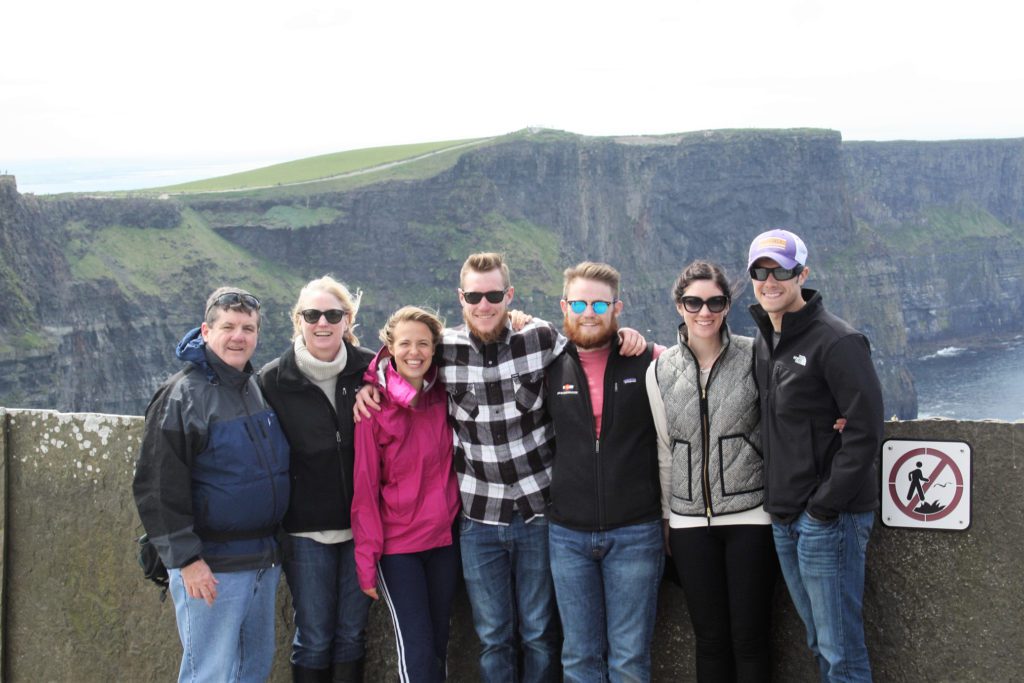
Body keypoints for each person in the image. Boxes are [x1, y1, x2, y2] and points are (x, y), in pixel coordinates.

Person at [355, 252, 647, 682]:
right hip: (479, 520)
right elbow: (402, 361)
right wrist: (369, 383)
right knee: (493, 636)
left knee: (539, 634)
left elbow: (591, 342)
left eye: (494, 295)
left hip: (538, 513)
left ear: (509, 295)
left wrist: (631, 338)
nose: (484, 304)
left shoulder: (541, 338)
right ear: (461, 298)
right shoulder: (446, 351)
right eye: (475, 295)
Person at [133, 287, 290, 683]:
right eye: (229, 327)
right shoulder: (181, 396)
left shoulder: (252, 385)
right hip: (212, 566)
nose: (239, 336)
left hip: (261, 561)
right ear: (206, 330)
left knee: (252, 668)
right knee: (211, 673)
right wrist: (187, 560)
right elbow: (156, 485)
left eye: (248, 328)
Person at [747, 229, 883, 683]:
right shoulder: (766, 339)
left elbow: (865, 430)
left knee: (840, 648)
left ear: (802, 274)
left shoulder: (838, 341)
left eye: (781, 271)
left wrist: (823, 509)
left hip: (829, 519)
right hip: (786, 516)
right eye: (760, 272)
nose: (770, 281)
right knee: (818, 641)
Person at [647, 260, 776, 682]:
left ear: (727, 305)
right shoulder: (660, 369)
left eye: (715, 301)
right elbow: (664, 449)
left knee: (750, 637)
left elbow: (784, 418)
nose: (705, 312)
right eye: (694, 302)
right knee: (710, 638)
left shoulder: (755, 354)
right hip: (687, 525)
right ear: (679, 306)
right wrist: (668, 517)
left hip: (751, 516)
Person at [545, 262, 664, 682]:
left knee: (630, 658)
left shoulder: (648, 359)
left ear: (618, 307)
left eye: (599, 303)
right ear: (564, 306)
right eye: (578, 302)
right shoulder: (547, 364)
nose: (588, 311)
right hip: (567, 534)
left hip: (635, 531)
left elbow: (705, 370)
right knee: (578, 657)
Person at [258, 276, 374, 683]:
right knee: (315, 637)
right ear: (298, 320)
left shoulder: (373, 370)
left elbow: (424, 362)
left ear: (348, 320)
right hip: (306, 533)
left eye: (332, 314)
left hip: (363, 529)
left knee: (351, 636)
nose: (322, 323)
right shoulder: (272, 382)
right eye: (312, 314)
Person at [352, 306, 461, 683]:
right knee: (414, 647)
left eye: (423, 344)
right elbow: (365, 490)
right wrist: (366, 559)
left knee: (439, 642)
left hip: (444, 542)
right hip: (399, 549)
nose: (414, 352)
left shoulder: (445, 394)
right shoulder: (373, 408)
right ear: (390, 348)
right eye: (405, 344)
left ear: (434, 349)